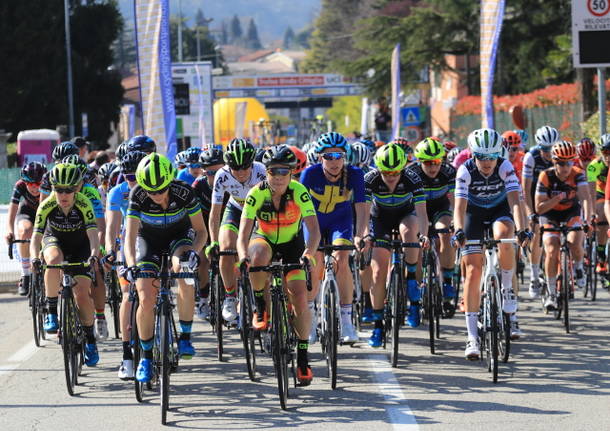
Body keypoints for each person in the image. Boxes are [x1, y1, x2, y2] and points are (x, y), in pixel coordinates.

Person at [238, 145, 320, 385]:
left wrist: (309, 253)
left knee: (299, 297)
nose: (279, 177)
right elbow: (243, 232)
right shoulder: (256, 193)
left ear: (292, 173)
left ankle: (303, 358)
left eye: (285, 171)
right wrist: (242, 255)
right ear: (267, 173)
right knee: (258, 254)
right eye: (274, 171)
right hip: (263, 240)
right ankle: (260, 304)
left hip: (293, 244)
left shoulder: (299, 191)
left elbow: (313, 230)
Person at [124, 153, 208, 382]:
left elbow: (201, 231)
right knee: (146, 298)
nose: (157, 195)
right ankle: (146, 358)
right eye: (151, 191)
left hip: (178, 238)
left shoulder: (184, 192)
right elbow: (129, 238)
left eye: (161, 190)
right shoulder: (137, 195)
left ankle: (185, 337)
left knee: (184, 272)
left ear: (169, 182)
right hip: (148, 241)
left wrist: (194, 253)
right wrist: (131, 266)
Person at [452, 128, 530, 360]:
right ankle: (472, 337)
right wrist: (458, 231)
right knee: (474, 271)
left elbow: (515, 202)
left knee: (506, 235)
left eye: (492, 157)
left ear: (500, 154)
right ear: (473, 155)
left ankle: (507, 290)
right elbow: (459, 207)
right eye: (482, 157)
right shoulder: (465, 170)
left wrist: (523, 229)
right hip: (473, 213)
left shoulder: (505, 167)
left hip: (499, 210)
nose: (487, 162)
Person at [300, 132, 369, 344]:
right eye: (328, 156)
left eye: (338, 156)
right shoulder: (309, 174)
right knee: (315, 263)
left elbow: (362, 208)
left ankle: (347, 322)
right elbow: (299, 206)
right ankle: (310, 322)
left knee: (342, 259)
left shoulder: (355, 174)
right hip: (314, 223)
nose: (334, 161)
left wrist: (360, 235)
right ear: (320, 157)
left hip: (341, 221)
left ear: (345, 156)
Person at [30, 163, 101, 366]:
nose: (64, 194)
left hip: (81, 246)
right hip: (55, 241)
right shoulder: (47, 205)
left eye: (69, 189)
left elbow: (93, 236)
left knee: (81, 294)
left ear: (77, 188)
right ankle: (52, 311)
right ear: (52, 188)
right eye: (59, 189)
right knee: (52, 261)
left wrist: (95, 255)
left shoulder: (84, 202)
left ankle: (90, 339)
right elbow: (36, 237)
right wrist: (35, 257)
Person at [364, 143, 428, 347]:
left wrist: (424, 235)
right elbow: (364, 213)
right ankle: (378, 325)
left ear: (402, 168)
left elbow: (423, 213)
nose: (390, 176)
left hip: (405, 215)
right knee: (377, 271)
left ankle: (410, 280)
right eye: (386, 172)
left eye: (395, 172)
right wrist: (365, 235)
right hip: (379, 218)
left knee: (409, 232)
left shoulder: (412, 178)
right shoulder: (370, 179)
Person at [205, 138, 266, 325]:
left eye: (244, 167)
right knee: (226, 248)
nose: (240, 172)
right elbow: (215, 214)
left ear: (252, 163)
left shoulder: (261, 172)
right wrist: (214, 241)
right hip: (235, 210)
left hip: (258, 212)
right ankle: (230, 297)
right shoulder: (222, 175)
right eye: (235, 168)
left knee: (260, 251)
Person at [103, 151, 147, 380]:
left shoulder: (153, 188)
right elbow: (111, 228)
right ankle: (127, 355)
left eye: (136, 176)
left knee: (157, 288)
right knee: (128, 294)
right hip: (128, 243)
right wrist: (110, 251)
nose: (133, 182)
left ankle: (162, 332)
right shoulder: (117, 193)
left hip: (151, 241)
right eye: (128, 177)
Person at [536, 141, 592, 309]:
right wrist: (557, 198)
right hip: (549, 214)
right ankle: (551, 293)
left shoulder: (578, 174)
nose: (566, 167)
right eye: (561, 163)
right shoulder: (545, 176)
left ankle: (579, 267)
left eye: (569, 162)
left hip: (571, 212)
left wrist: (587, 221)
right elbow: (539, 208)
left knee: (575, 240)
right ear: (554, 162)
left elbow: (585, 199)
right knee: (551, 249)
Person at [408, 138, 456, 315]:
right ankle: (420, 289)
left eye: (436, 162)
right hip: (416, 211)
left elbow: (455, 200)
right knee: (417, 246)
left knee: (445, 233)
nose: (432, 167)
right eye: (427, 162)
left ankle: (448, 281)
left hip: (440, 208)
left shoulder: (449, 171)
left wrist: (456, 225)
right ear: (419, 161)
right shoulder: (411, 173)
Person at [522, 125, 557, 298]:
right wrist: (530, 213)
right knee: (536, 232)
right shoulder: (531, 157)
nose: (548, 152)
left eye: (551, 148)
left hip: (553, 198)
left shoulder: (560, 156)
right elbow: (525, 189)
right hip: (534, 198)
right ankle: (534, 276)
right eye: (544, 149)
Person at [191, 148, 225, 320]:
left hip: (226, 226)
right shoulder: (198, 185)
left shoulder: (231, 182)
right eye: (210, 173)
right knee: (203, 260)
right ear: (204, 173)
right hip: (204, 228)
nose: (215, 177)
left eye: (219, 171)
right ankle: (204, 299)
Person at [5, 162, 47, 295]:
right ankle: (25, 274)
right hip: (27, 211)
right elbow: (11, 213)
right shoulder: (19, 185)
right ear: (24, 182)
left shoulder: (49, 184)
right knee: (25, 231)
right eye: (30, 184)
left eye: (38, 184)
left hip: (46, 212)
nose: (34, 188)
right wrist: (9, 231)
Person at [586, 134, 610, 273]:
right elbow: (590, 193)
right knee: (601, 214)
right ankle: (601, 256)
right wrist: (592, 213)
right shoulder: (594, 166)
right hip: (600, 193)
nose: (608, 156)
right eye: (605, 152)